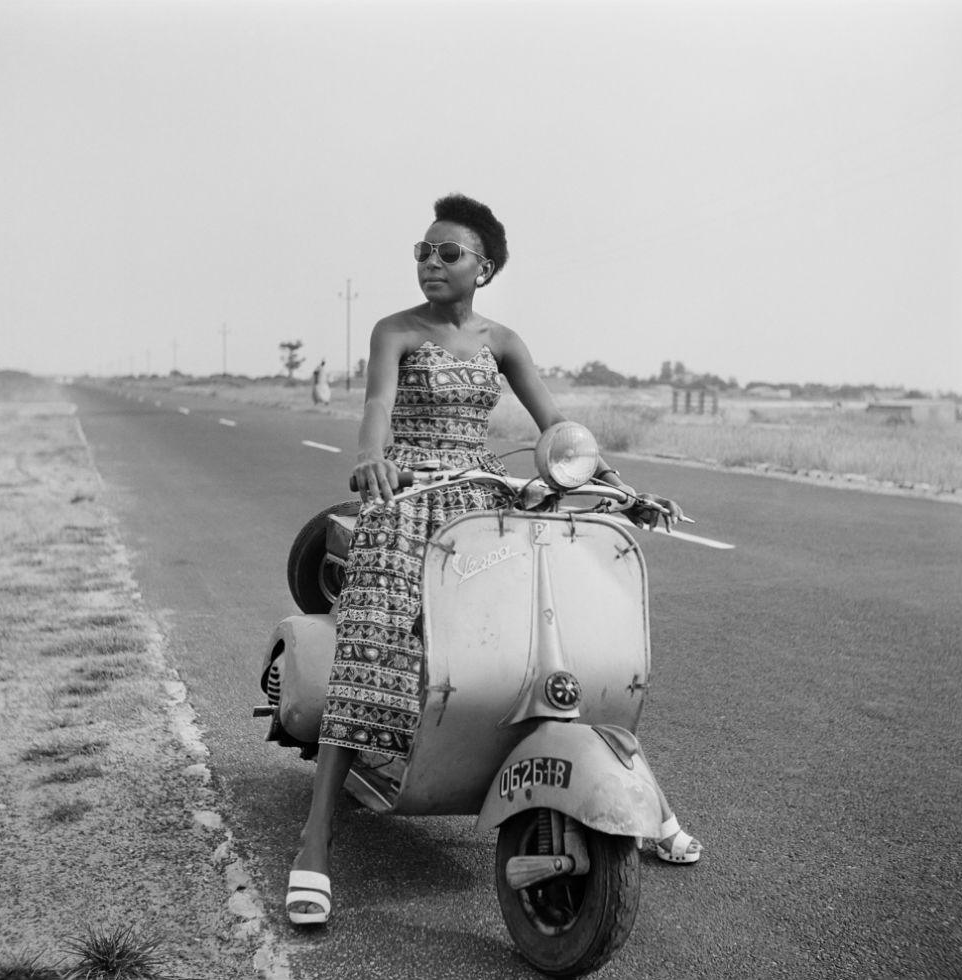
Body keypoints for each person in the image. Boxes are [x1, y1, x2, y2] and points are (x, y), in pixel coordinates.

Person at [285, 194, 702, 926]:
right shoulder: (394, 330)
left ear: (485, 267)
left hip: (481, 491)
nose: (431, 263)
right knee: (373, 645)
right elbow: (376, 407)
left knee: (556, 629)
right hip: (410, 491)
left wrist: (621, 490)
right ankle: (316, 839)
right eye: (423, 251)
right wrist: (372, 463)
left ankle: (637, 794)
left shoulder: (503, 340)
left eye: (449, 254)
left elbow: (561, 429)